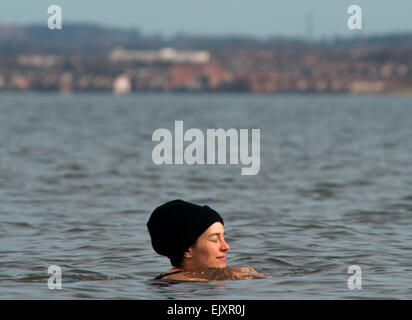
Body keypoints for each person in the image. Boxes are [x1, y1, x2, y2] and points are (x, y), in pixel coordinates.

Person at [147, 199, 268, 281]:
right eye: (214, 239)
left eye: (223, 237)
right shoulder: (183, 281)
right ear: (187, 250)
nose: (226, 247)